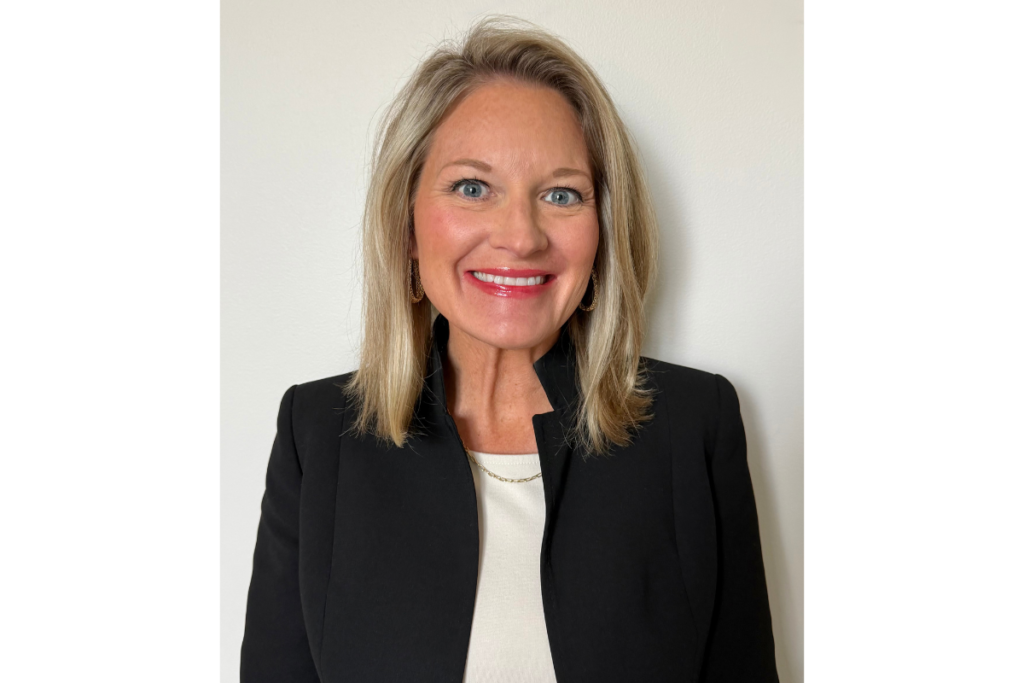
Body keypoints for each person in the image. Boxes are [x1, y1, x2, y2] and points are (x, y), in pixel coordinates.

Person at [241, 15, 778, 683]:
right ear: (406, 225)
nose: (521, 236)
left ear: (604, 230)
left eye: (561, 194)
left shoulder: (694, 425)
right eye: (472, 188)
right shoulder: (319, 435)